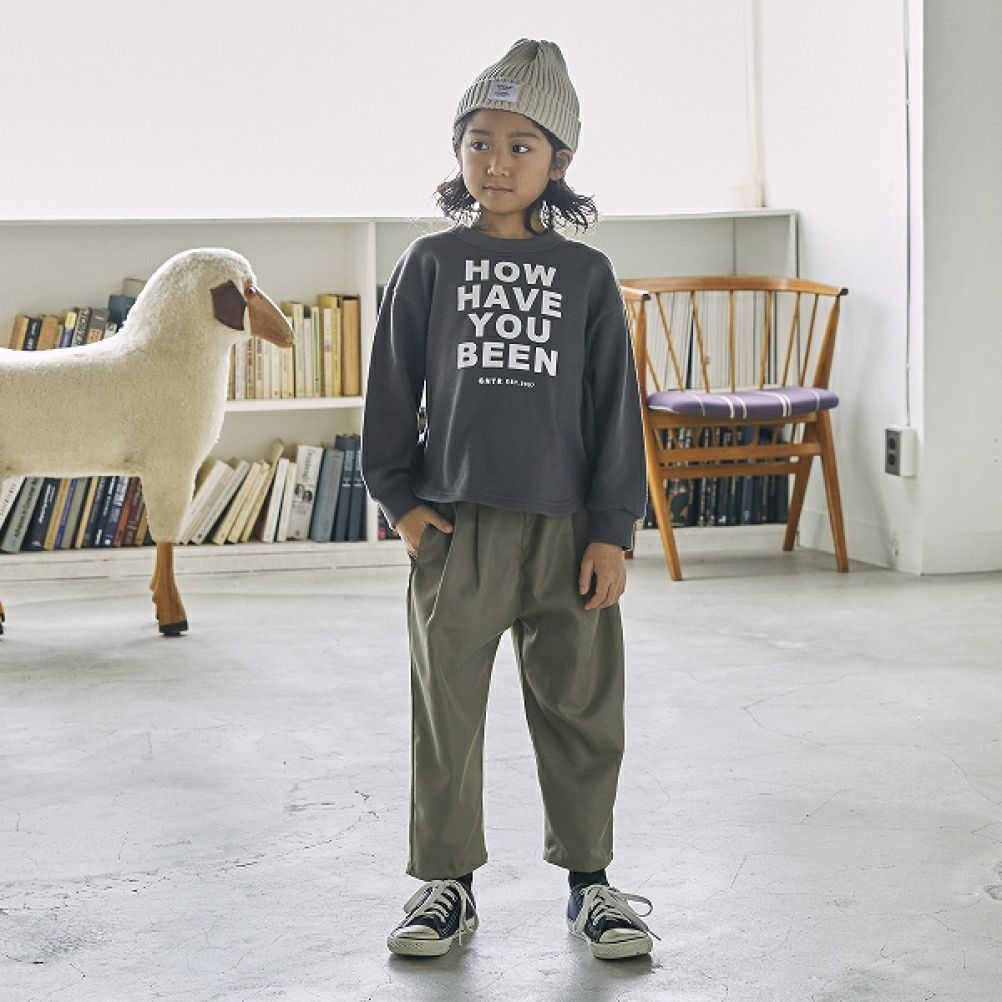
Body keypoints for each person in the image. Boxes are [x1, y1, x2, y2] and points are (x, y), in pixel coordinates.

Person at [362, 38, 656, 961]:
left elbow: (615, 410)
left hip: (567, 530)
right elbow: (389, 392)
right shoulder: (429, 263)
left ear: (558, 161)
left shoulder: (587, 276)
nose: (496, 162)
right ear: (458, 151)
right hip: (458, 529)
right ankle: (445, 887)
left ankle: (591, 886)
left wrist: (612, 530)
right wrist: (401, 501)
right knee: (446, 710)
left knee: (581, 710)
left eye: (520, 145)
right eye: (479, 142)